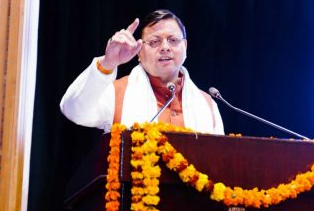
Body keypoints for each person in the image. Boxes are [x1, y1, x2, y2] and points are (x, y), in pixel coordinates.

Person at [60, 9, 224, 135]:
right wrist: (107, 63)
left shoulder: (207, 104)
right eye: (154, 41)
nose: (165, 47)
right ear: (139, 52)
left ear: (185, 47)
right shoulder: (118, 93)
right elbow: (73, 110)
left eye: (173, 40)